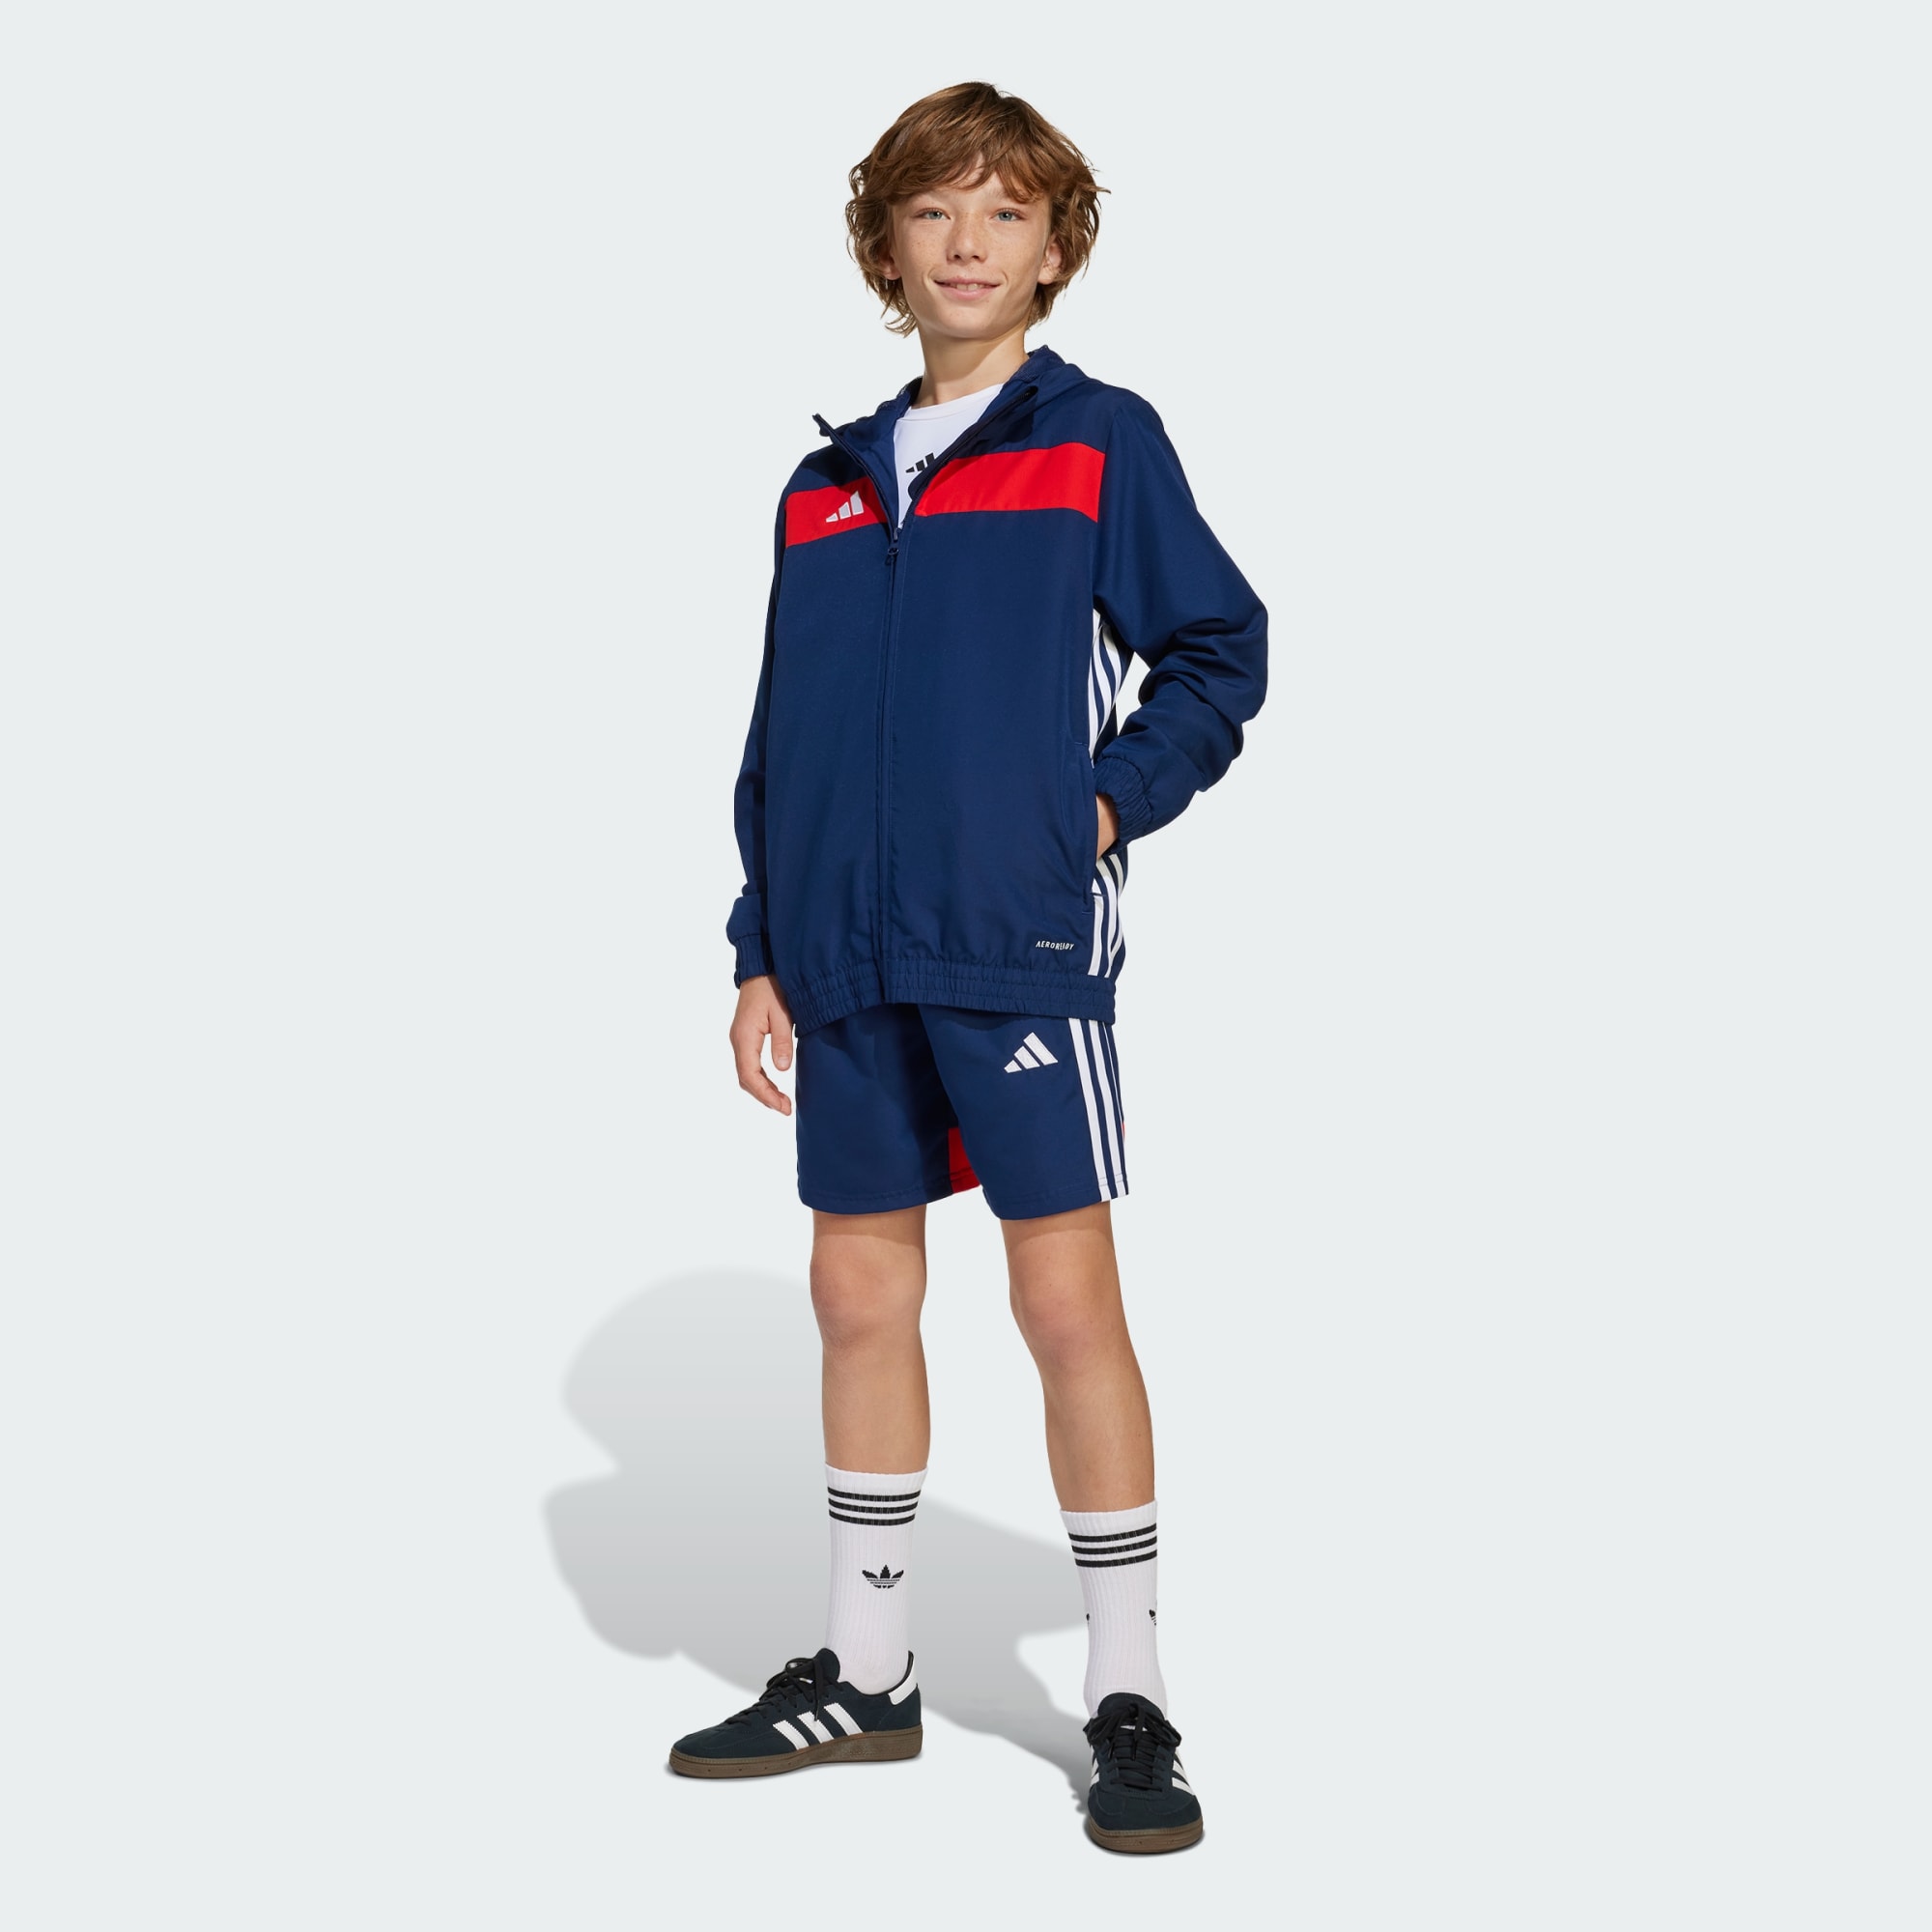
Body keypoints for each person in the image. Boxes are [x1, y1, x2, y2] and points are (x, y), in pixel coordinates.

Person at [669, 80, 1267, 1855]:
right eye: (933, 211)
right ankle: (870, 1669)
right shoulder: (824, 486)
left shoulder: (1099, 442)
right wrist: (761, 946)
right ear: (884, 246)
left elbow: (1218, 649)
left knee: (1064, 1304)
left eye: (1005, 213)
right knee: (856, 1296)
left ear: (1057, 248)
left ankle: (1129, 1687)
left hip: (1015, 948)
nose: (967, 243)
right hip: (844, 955)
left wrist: (1100, 807)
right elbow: (782, 736)